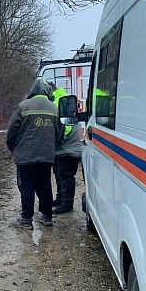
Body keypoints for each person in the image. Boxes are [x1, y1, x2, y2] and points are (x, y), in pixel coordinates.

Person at [6, 79, 63, 229]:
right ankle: (47, 216)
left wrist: (12, 148)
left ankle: (26, 220)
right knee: (45, 184)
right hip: (46, 155)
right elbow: (59, 133)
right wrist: (51, 148)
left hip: (25, 156)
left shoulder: (22, 106)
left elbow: (12, 131)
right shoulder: (54, 108)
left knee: (27, 186)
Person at [51, 86, 84, 214]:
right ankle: (61, 198)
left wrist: (60, 139)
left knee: (66, 176)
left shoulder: (58, 100)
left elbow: (67, 124)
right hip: (64, 147)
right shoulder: (61, 99)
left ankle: (67, 204)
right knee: (59, 174)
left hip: (67, 147)